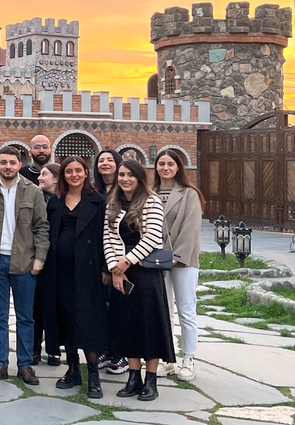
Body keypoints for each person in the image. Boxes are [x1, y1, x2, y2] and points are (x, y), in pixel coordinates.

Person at [0, 147, 49, 386]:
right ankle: (0, 363)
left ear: (19, 164)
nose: (8, 166)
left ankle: (25, 365)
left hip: (24, 261)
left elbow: (41, 227)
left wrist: (39, 258)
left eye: (12, 163)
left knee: (25, 317)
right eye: (4, 162)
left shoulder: (33, 191)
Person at [104, 159, 175, 402]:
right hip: (121, 274)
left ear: (139, 178)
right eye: (122, 175)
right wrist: (115, 268)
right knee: (127, 325)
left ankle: (151, 380)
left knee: (149, 326)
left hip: (145, 272)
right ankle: (133, 377)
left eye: (130, 175)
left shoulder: (151, 201)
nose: (125, 179)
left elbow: (153, 237)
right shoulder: (113, 202)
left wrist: (127, 261)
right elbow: (107, 236)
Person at [43, 156, 108, 398]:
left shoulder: (97, 201)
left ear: (85, 173)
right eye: (69, 171)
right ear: (63, 175)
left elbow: (104, 236)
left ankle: (93, 375)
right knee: (66, 319)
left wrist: (105, 268)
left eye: (78, 170)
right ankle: (72, 369)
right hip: (59, 271)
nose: (74, 175)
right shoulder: (56, 201)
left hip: (88, 271)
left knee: (87, 321)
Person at [154, 150, 203, 382]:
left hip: (183, 260)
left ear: (178, 167)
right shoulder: (150, 193)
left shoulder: (189, 194)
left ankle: (189, 358)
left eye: (170, 164)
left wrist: (176, 257)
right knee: (164, 310)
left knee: (186, 309)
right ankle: (168, 358)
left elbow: (191, 227)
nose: (165, 168)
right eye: (161, 163)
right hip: (156, 260)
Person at [91, 149, 126, 374]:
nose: (105, 163)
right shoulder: (94, 190)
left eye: (110, 160)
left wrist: (111, 265)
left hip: (120, 257)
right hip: (97, 254)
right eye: (101, 160)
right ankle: (104, 349)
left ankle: (120, 353)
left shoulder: (124, 190)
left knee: (119, 307)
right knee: (100, 307)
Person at [32, 162, 62, 366]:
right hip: (35, 257)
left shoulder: (63, 201)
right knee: (35, 306)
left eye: (44, 174)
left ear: (56, 178)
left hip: (56, 260)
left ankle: (53, 349)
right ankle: (34, 348)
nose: (39, 178)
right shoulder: (36, 198)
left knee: (54, 306)